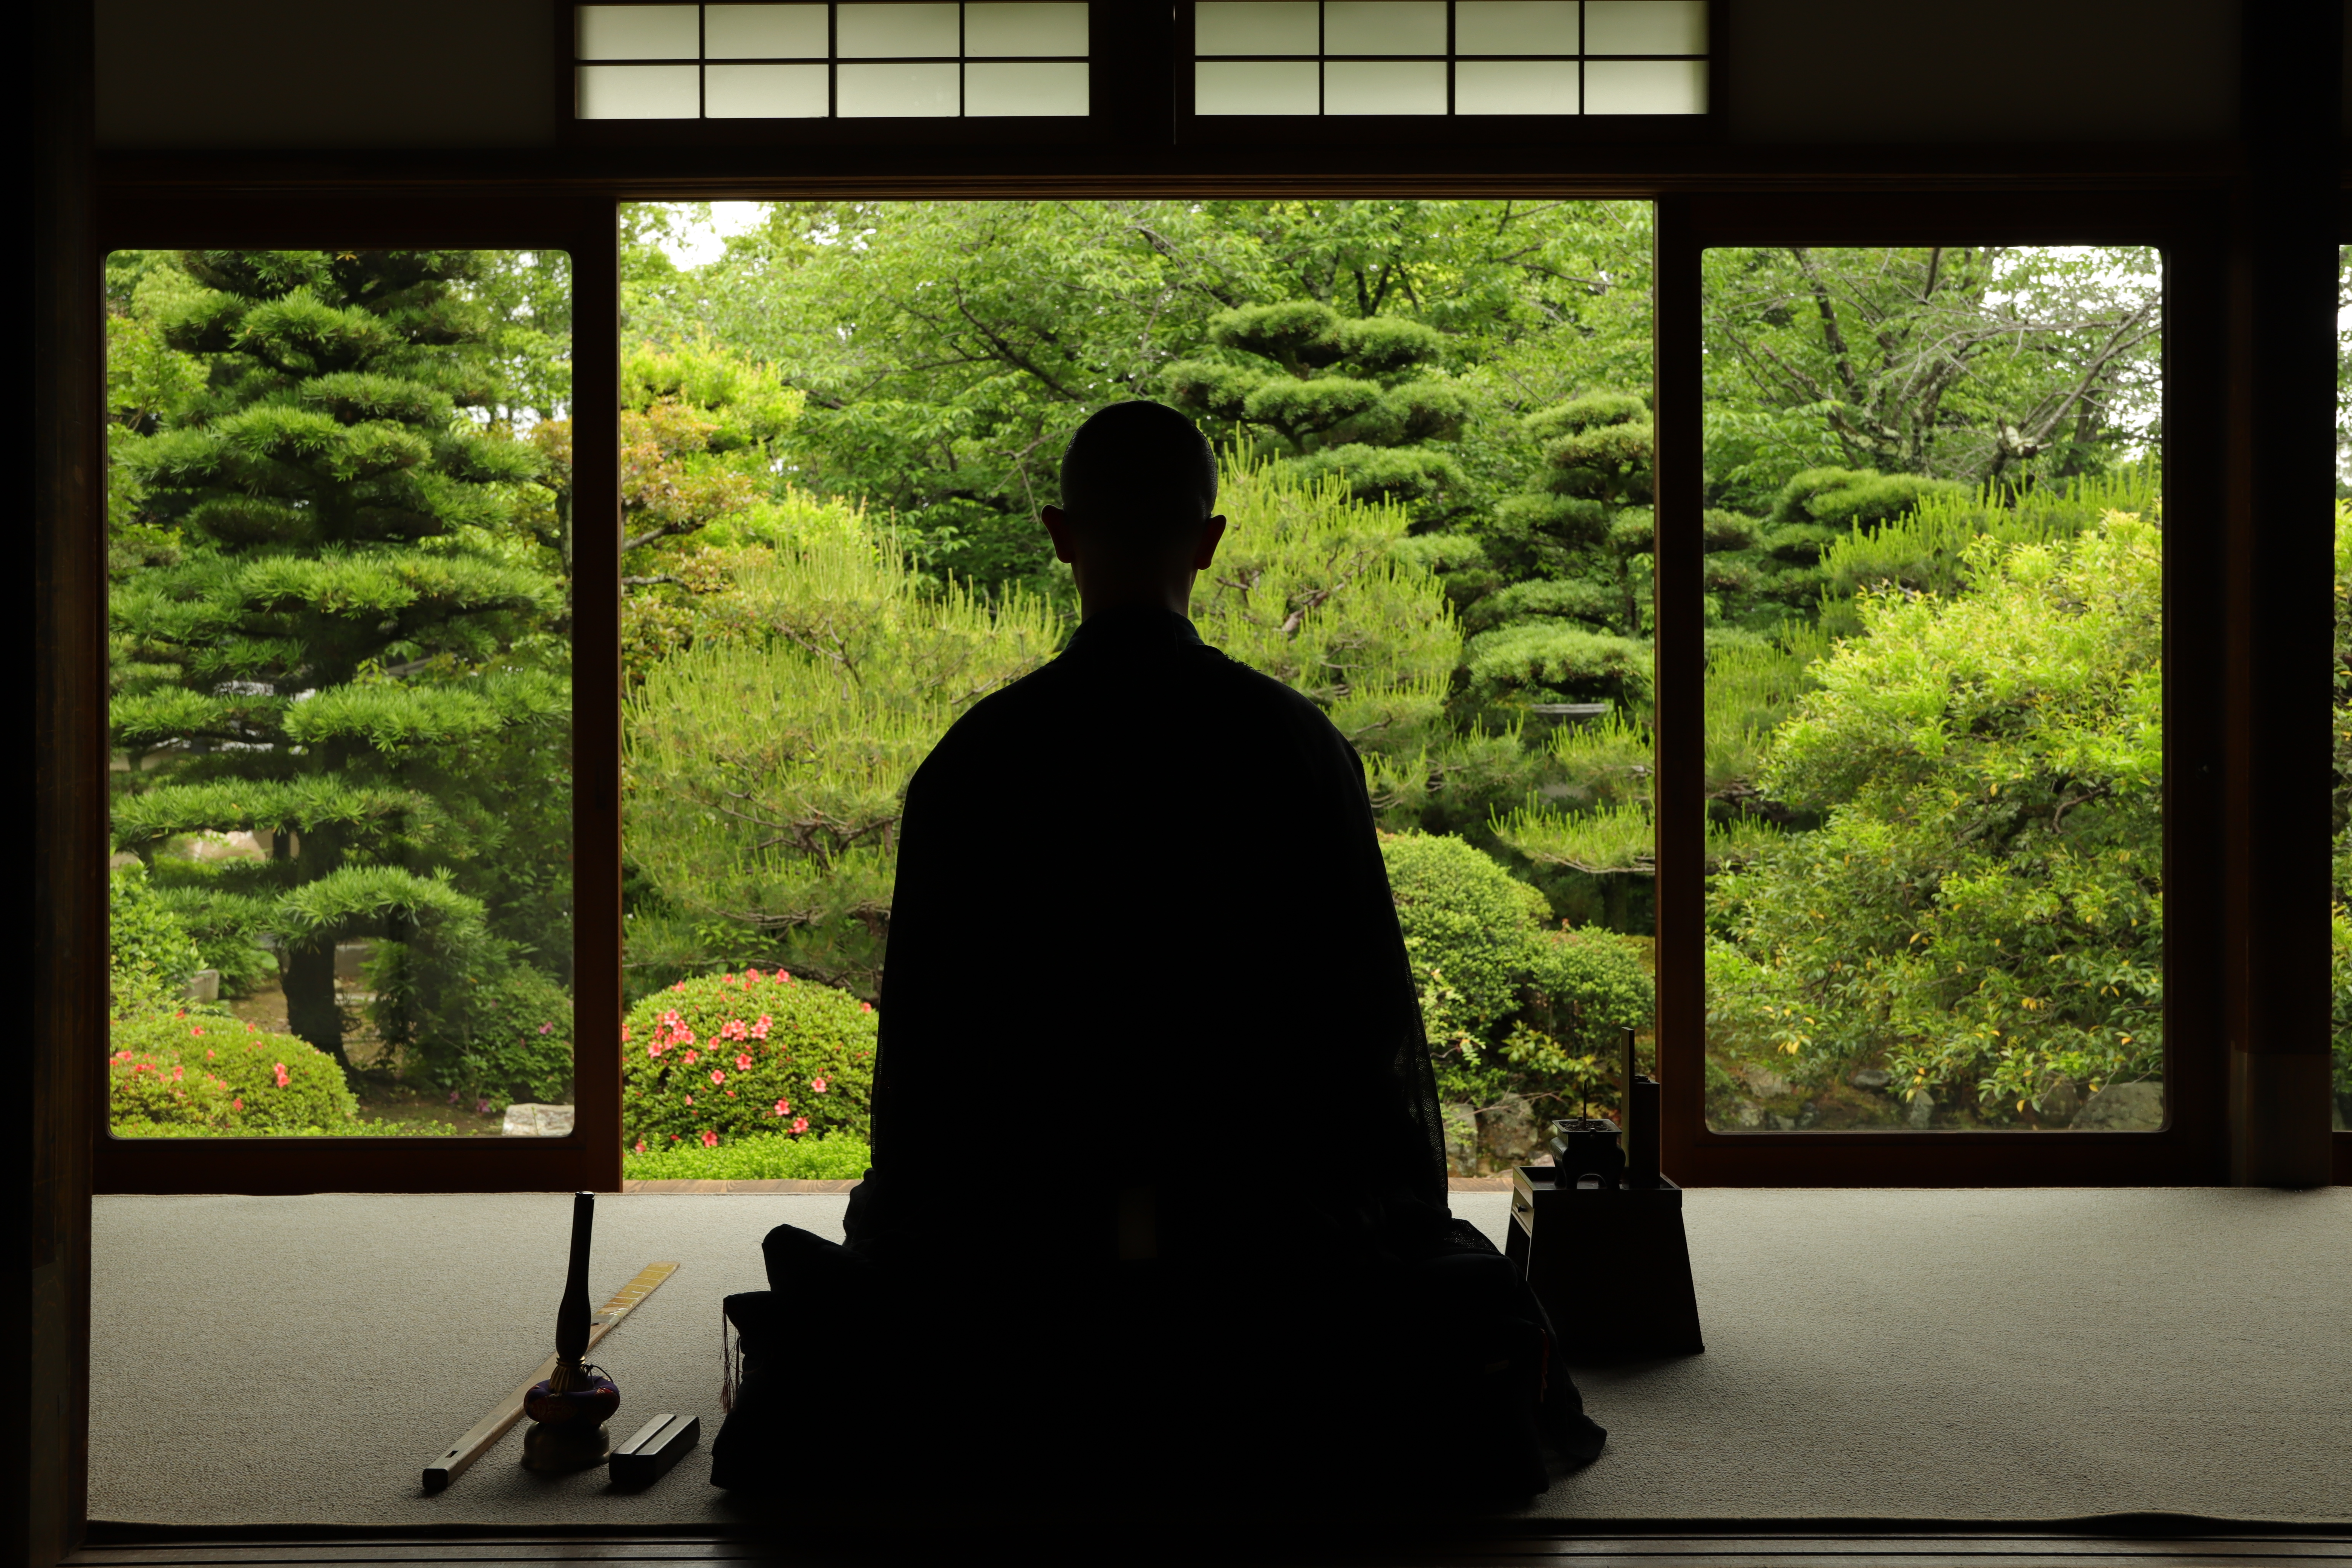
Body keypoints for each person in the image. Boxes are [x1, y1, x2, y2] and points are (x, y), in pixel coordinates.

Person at [709, 401, 1603, 1509]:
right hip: (1265, 1232)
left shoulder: (981, 757)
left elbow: (932, 1058)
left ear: (1058, 534)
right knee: (1453, 1307)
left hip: (1022, 1233)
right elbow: (1362, 1034)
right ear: (1211, 540)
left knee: (871, 1315)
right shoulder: (1294, 745)